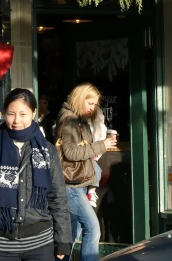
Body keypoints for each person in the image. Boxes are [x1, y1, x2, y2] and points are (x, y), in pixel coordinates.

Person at [0, 88, 71, 261]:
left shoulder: (46, 150)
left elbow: (58, 197)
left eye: (23, 114)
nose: (16, 120)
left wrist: (63, 239)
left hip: (41, 244)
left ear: (33, 113)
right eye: (11, 113)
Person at [55, 83, 117, 261]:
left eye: (95, 104)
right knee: (92, 228)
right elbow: (71, 153)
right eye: (90, 103)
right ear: (79, 99)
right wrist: (102, 145)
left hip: (76, 184)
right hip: (71, 185)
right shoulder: (70, 120)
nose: (92, 108)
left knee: (72, 234)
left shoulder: (77, 118)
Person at [86, 107, 107, 208]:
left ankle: (91, 191)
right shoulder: (75, 122)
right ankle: (91, 192)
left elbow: (101, 141)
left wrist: (95, 155)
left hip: (91, 156)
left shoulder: (100, 127)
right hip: (82, 156)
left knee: (96, 170)